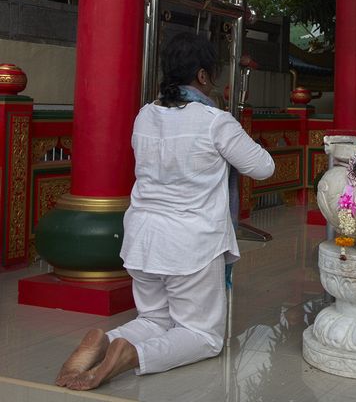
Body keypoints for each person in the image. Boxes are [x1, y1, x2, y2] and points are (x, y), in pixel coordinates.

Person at [55, 32, 275, 390]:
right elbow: (263, 167)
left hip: (143, 239)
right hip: (190, 244)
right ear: (202, 76)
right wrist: (231, 125)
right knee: (203, 336)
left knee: (154, 319)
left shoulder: (145, 115)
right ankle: (133, 355)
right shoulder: (215, 121)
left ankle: (106, 341)